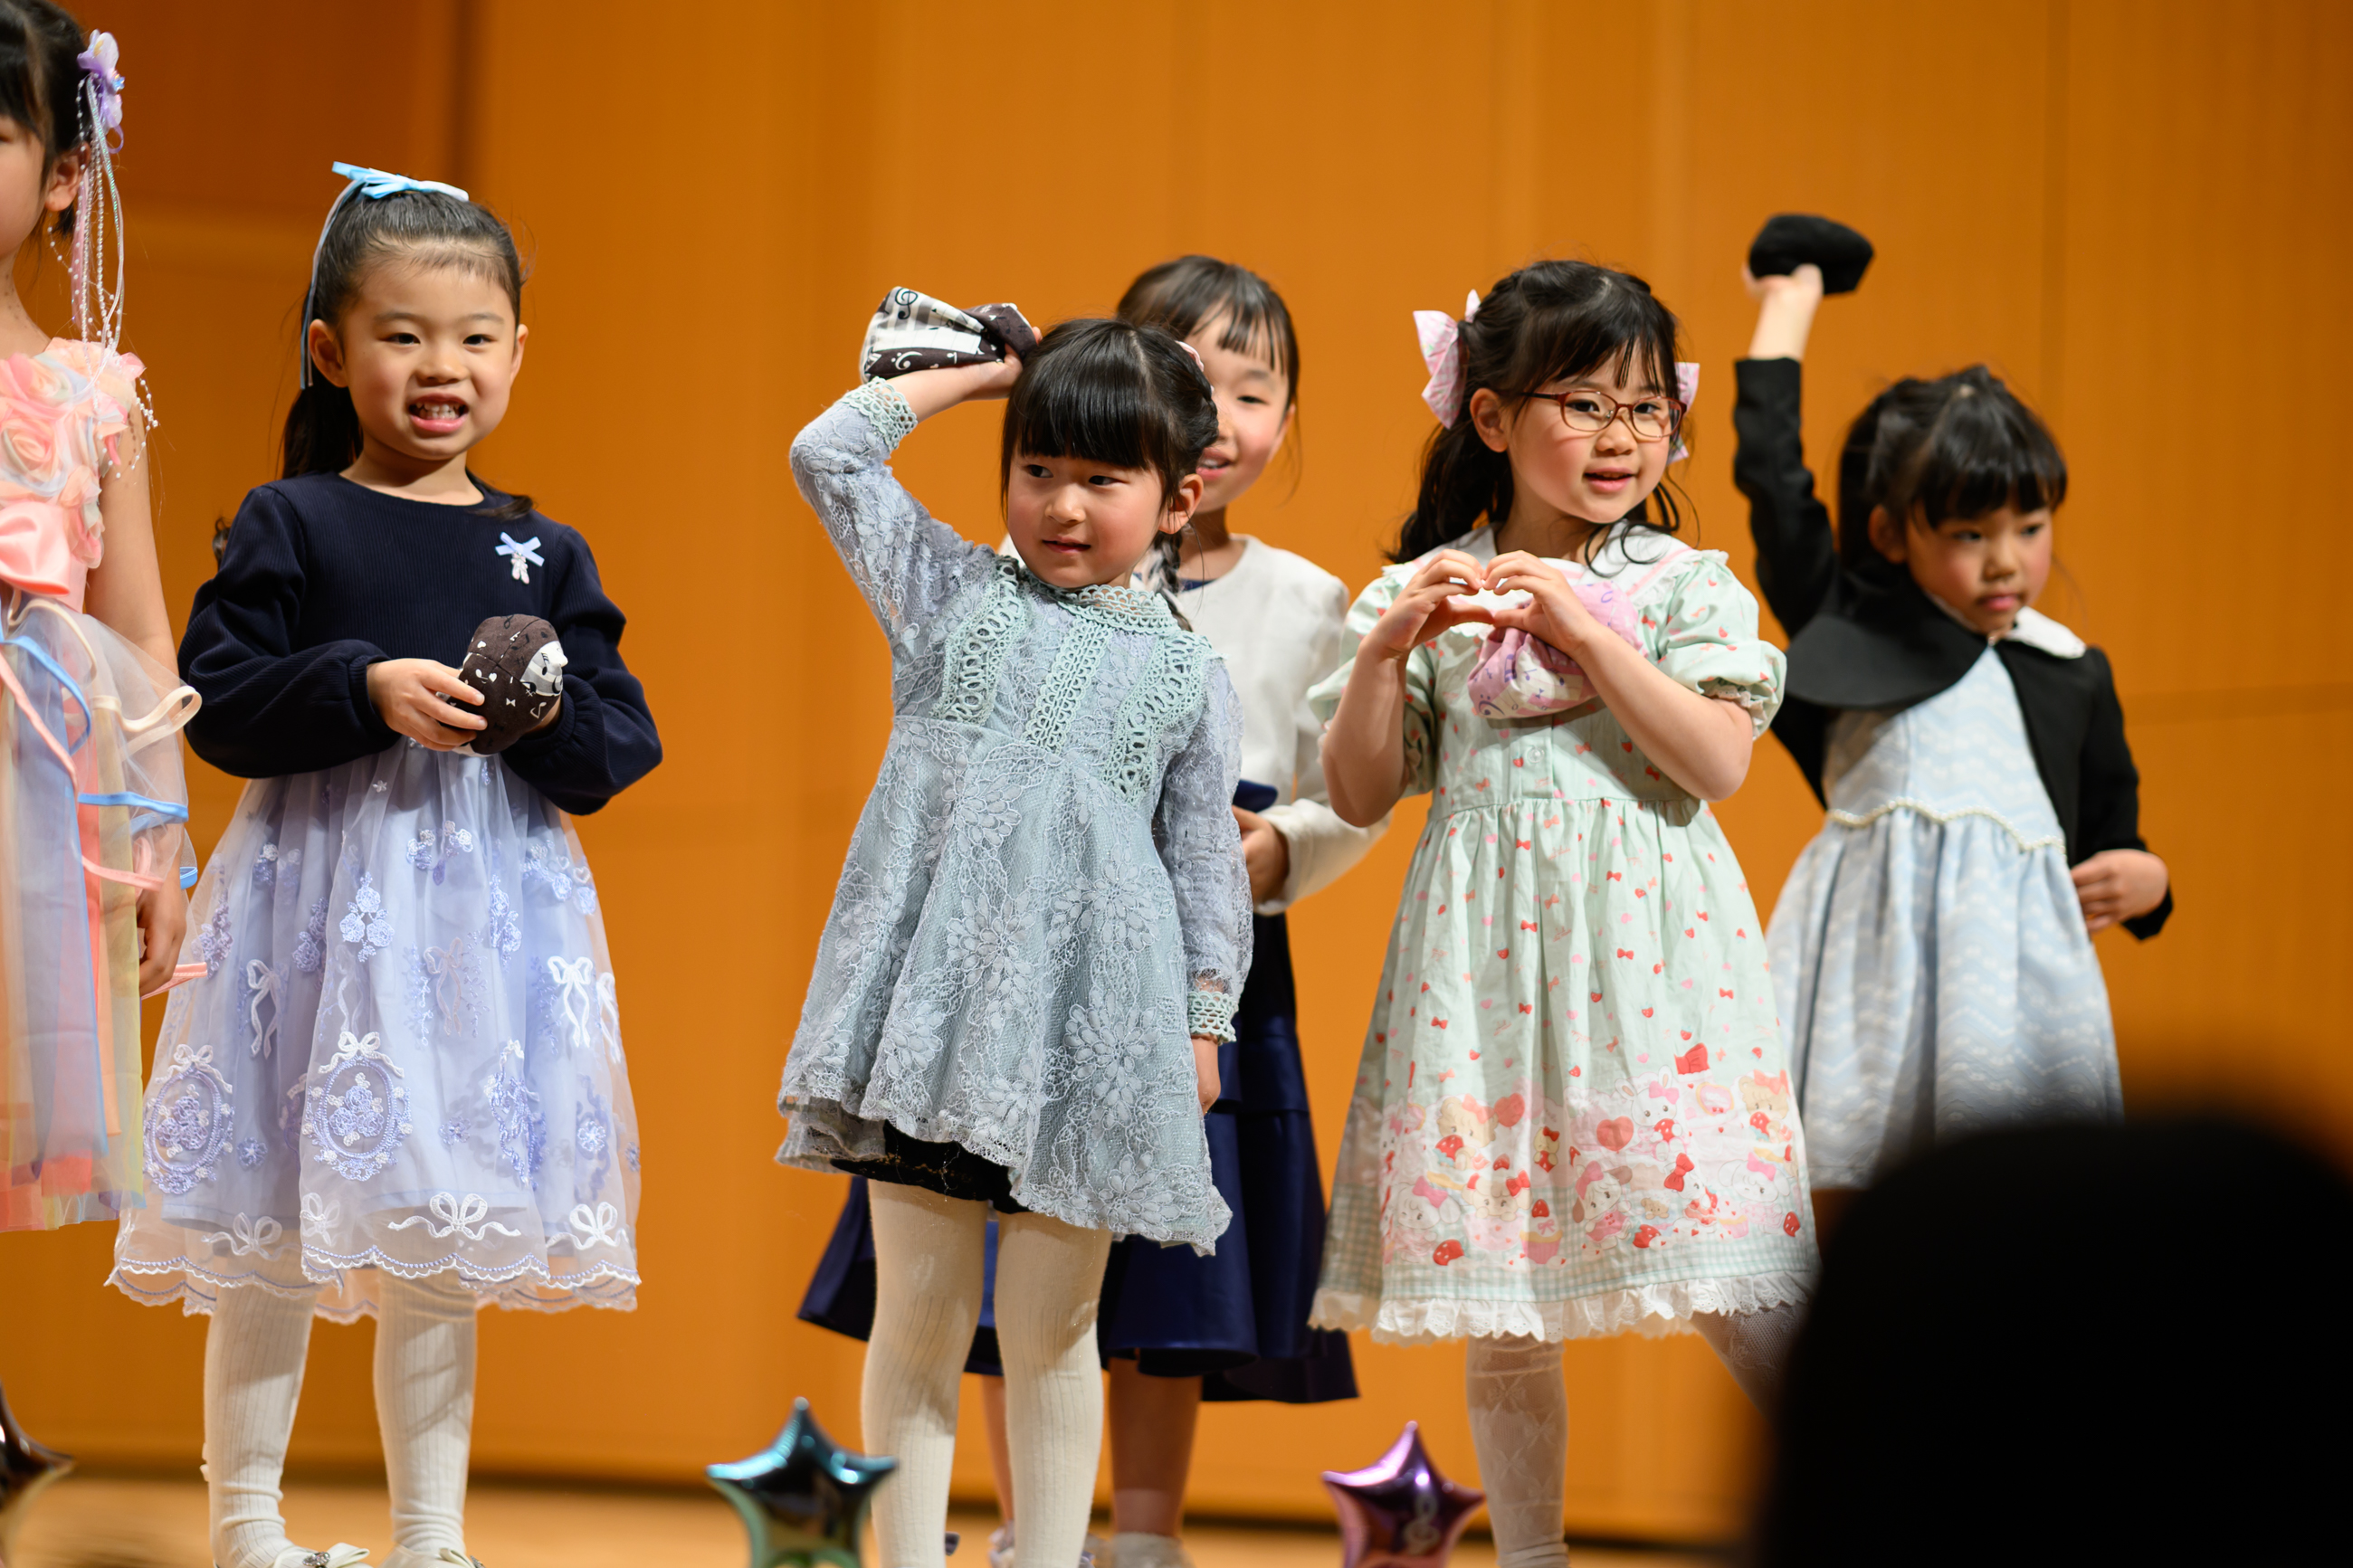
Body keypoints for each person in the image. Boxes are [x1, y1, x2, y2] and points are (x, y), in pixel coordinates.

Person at [109, 162, 661, 1568]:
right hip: (314, 906)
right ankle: (247, 1527)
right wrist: (363, 687)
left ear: (519, 351)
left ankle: (430, 1538)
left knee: (445, 1212)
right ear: (331, 350)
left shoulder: (541, 548)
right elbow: (218, 699)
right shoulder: (294, 519)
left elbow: (616, 741)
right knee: (269, 1215)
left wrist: (530, 709)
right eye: (404, 334)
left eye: (475, 337)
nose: (441, 367)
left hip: (478, 926)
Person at [797, 257, 1378, 1568]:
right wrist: (986, 375)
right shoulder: (947, 596)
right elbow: (827, 454)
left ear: (1176, 495)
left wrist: (1198, 1031)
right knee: (927, 1320)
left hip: (1095, 1040)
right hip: (935, 1022)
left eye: (1103, 480)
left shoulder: (1186, 671)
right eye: (1037, 467)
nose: (1063, 504)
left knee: (1060, 1332)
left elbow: (1199, 871)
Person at [1311, 259, 1814, 1568]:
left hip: (1659, 971)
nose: (1620, 438)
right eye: (1582, 403)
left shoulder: (1682, 585)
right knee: (1506, 1296)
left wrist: (1592, 635)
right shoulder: (1431, 588)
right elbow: (1362, 790)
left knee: (1734, 1262)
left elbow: (1711, 761)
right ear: (1490, 418)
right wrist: (1386, 651)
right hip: (1480, 979)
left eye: (1647, 410)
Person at [1735, 255, 2170, 1233]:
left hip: (2018, 995)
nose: (2007, 558)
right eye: (1971, 533)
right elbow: (1771, 478)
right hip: (1864, 977)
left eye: (2029, 523)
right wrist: (1786, 310)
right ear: (1891, 534)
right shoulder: (1852, 630)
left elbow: (2113, 829)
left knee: (2017, 1216)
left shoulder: (2069, 668)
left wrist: (2147, 879)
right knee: (1853, 1207)